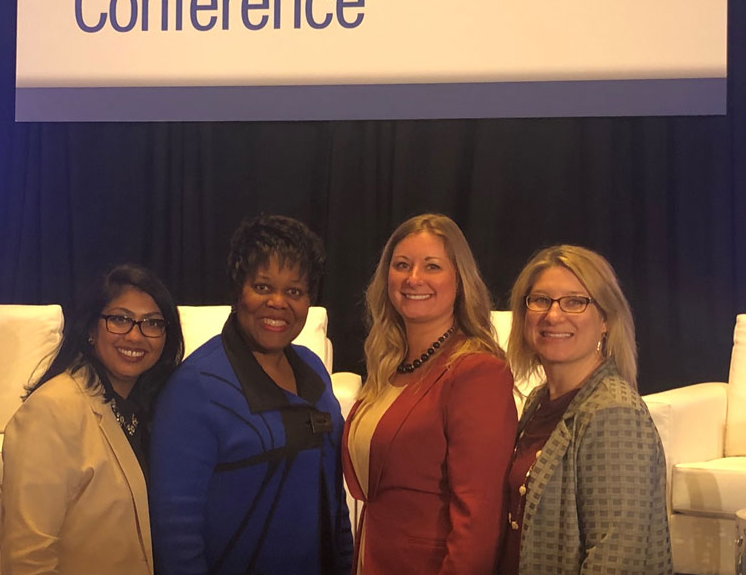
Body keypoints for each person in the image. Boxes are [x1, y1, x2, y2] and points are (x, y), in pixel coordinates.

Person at [150, 214, 352, 575]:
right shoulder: (195, 388)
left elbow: (333, 496)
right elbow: (175, 534)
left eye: (294, 291)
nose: (278, 302)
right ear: (237, 290)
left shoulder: (314, 370)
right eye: (262, 286)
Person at [342, 213, 517, 575]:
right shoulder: (387, 366)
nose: (413, 278)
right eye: (402, 265)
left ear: (460, 280)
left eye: (432, 266)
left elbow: (479, 520)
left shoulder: (478, 372)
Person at [0, 264, 184, 575]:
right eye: (120, 319)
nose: (136, 335)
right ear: (91, 330)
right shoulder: (52, 410)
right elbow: (27, 558)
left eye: (152, 323)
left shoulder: (152, 407)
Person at [497, 245, 672, 575]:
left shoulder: (614, 412)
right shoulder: (538, 402)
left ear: (605, 319)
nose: (553, 315)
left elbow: (616, 556)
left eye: (575, 302)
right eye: (541, 300)